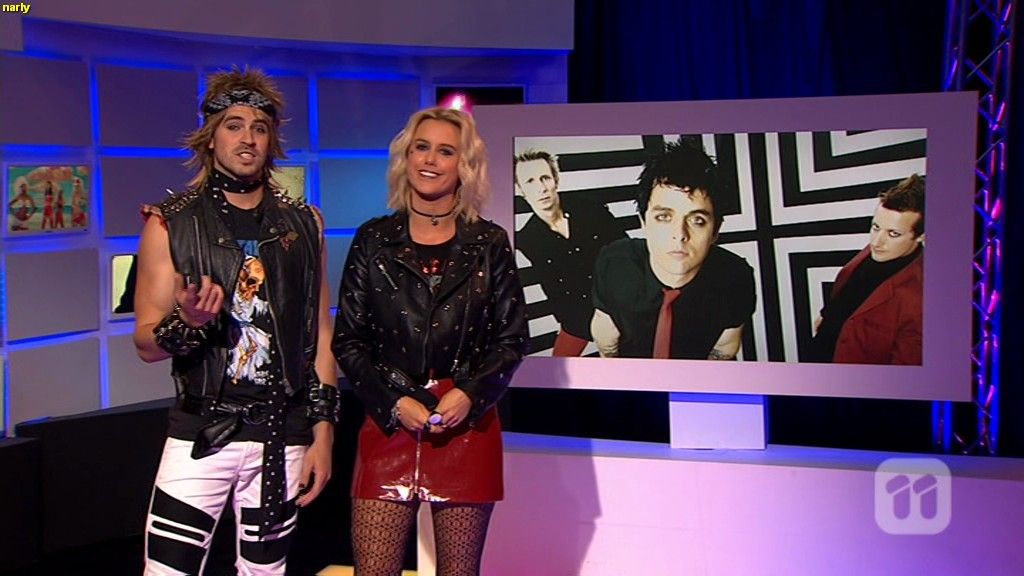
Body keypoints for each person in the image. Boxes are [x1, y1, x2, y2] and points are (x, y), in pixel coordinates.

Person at [133, 68, 337, 576]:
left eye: (259, 128)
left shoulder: (305, 224)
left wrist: (323, 433)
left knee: (265, 572)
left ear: (272, 141)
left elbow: (320, 335)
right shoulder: (170, 222)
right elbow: (146, 344)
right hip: (201, 431)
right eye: (234, 125)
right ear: (210, 137)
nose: (248, 138)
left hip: (282, 432)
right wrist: (188, 320)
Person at [332, 106, 528, 576]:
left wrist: (469, 395)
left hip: (466, 429)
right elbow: (349, 341)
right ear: (406, 156)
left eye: (445, 151)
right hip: (389, 423)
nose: (431, 160)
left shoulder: (489, 243)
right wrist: (394, 402)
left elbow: (512, 339)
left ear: (465, 165)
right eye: (422, 147)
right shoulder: (373, 240)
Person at [590, 136, 756, 360]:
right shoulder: (614, 263)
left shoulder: (735, 277)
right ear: (644, 223)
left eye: (697, 220)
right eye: (663, 217)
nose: (679, 234)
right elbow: (605, 338)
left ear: (715, 231)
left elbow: (725, 348)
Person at [514, 149, 625, 356]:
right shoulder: (527, 239)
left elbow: (626, 252)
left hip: (617, 307)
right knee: (554, 367)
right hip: (577, 319)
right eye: (530, 181)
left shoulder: (591, 209)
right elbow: (552, 287)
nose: (541, 188)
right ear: (520, 189)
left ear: (555, 180)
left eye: (545, 178)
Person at [809, 174, 925, 365]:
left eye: (893, 233)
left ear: (921, 236)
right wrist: (827, 315)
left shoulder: (920, 299)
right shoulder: (879, 250)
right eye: (875, 227)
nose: (876, 242)